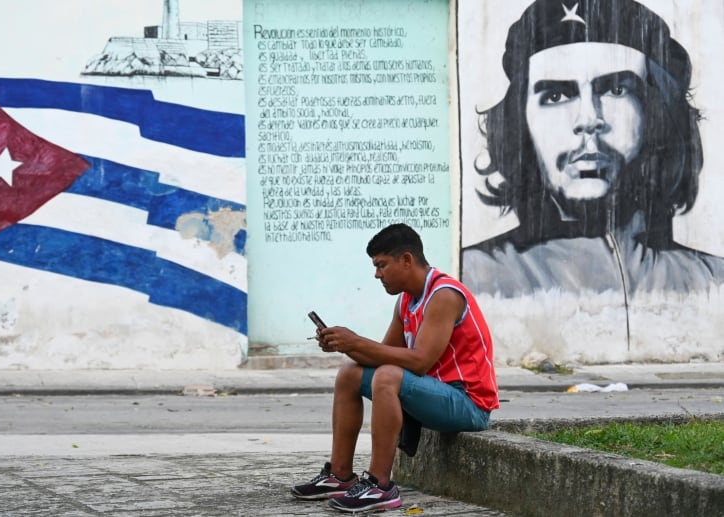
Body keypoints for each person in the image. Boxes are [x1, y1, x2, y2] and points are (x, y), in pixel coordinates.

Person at [461, 0, 724, 297]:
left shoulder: (713, 282)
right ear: (519, 123)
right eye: (557, 95)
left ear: (658, 113)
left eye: (616, 90)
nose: (588, 119)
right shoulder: (470, 280)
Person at [291, 223, 499, 513]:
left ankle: (381, 486)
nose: (377, 274)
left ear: (406, 260)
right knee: (350, 372)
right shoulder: (406, 300)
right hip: (435, 395)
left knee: (388, 377)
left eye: (381, 265)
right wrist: (345, 345)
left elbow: (419, 361)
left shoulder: (444, 295)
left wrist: (356, 340)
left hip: (468, 404)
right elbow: (382, 355)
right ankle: (339, 476)